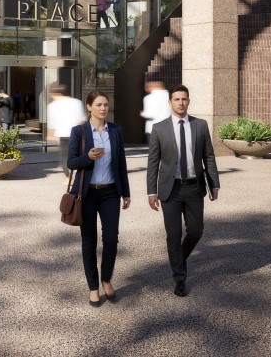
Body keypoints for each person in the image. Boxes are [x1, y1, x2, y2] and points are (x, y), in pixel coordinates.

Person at [146, 84, 219, 297]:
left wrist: (214, 183)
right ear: (170, 102)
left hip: (195, 187)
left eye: (184, 99)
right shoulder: (159, 128)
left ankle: (178, 259)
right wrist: (152, 192)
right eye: (177, 99)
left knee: (196, 231)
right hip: (171, 189)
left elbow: (209, 157)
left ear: (189, 101)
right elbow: (153, 163)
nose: (181, 103)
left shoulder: (200, 125)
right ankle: (180, 278)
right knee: (174, 235)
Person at [67, 90, 131, 307]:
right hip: (86, 194)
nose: (103, 108)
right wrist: (88, 157)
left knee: (111, 238)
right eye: (98, 105)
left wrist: (126, 192)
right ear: (89, 107)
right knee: (89, 241)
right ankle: (93, 287)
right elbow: (71, 163)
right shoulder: (80, 131)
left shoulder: (115, 130)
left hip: (111, 192)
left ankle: (106, 279)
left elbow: (121, 162)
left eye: (105, 105)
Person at [47, 84, 85, 176]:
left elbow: (52, 123)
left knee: (65, 157)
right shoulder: (77, 102)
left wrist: (50, 135)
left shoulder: (52, 106)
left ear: (58, 93)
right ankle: (79, 175)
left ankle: (68, 176)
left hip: (63, 134)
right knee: (78, 154)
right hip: (76, 134)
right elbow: (83, 120)